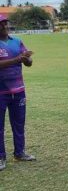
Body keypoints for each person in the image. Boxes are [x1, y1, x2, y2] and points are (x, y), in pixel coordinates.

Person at [0, 14, 35, 171]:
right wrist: (17, 59)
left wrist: (27, 59)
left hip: (19, 90)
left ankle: (19, 152)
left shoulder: (17, 41)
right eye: (1, 24)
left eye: (6, 23)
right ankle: (1, 157)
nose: (5, 26)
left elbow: (28, 63)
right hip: (1, 92)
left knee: (19, 124)